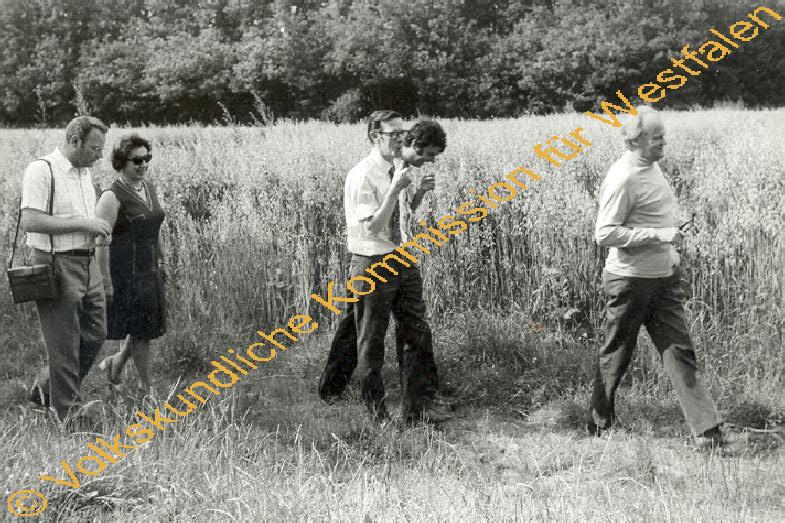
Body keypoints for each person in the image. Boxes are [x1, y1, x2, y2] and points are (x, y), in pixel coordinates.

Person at [586, 105, 724, 446]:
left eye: (664, 136)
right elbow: (604, 234)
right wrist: (659, 236)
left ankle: (707, 431)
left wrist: (670, 251)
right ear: (635, 141)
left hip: (663, 278)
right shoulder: (623, 177)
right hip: (629, 282)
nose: (664, 142)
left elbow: (653, 218)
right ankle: (599, 425)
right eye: (657, 137)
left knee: (680, 351)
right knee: (616, 353)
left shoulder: (651, 166)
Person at [319, 111, 446, 423]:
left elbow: (402, 212)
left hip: (403, 256)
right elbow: (374, 227)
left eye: (402, 133)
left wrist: (417, 192)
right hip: (372, 262)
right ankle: (377, 414)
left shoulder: (398, 168)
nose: (401, 139)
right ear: (375, 137)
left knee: (416, 331)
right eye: (393, 134)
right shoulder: (361, 175)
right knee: (371, 339)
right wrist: (394, 189)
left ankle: (418, 410)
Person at [21, 115, 112, 422]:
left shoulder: (84, 173)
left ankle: (47, 387)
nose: (100, 155)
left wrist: (96, 232)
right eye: (95, 148)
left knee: (96, 333)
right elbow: (31, 220)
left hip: (86, 261)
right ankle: (68, 416)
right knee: (64, 344)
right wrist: (85, 223)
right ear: (75, 141)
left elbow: (81, 219)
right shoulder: (42, 170)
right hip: (55, 263)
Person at [95, 134, 167, 396]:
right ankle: (147, 389)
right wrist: (105, 282)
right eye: (137, 160)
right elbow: (100, 243)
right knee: (140, 330)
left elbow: (154, 225)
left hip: (150, 269)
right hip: (126, 273)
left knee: (144, 327)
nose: (143, 164)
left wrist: (163, 258)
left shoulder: (148, 187)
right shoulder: (111, 197)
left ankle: (116, 362)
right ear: (121, 162)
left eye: (147, 158)